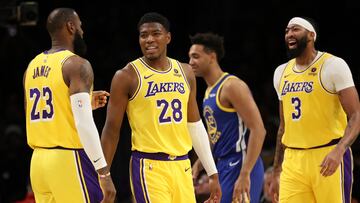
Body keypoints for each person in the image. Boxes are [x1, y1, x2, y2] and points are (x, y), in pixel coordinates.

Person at [100, 12, 221, 203]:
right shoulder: (127, 76)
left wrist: (212, 173)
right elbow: (111, 129)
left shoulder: (186, 72)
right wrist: (103, 173)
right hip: (149, 167)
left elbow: (195, 125)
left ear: (168, 37)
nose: (149, 39)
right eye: (143, 35)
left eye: (155, 33)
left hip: (182, 165)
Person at [23, 8, 116, 202]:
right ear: (70, 27)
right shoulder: (76, 64)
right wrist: (104, 172)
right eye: (80, 26)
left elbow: (35, 114)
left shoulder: (31, 66)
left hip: (38, 163)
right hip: (67, 161)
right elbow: (84, 124)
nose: (82, 31)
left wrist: (84, 103)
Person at [270, 16, 360, 203]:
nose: (289, 34)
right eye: (287, 31)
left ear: (311, 35)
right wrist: (277, 169)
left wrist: (339, 150)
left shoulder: (333, 65)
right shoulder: (281, 72)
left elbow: (356, 116)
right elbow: (283, 125)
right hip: (293, 160)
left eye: (295, 29)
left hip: (327, 154)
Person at [188, 32, 266, 203]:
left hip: (241, 161)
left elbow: (258, 129)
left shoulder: (232, 86)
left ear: (212, 57)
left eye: (195, 56)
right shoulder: (208, 92)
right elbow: (213, 134)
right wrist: (199, 164)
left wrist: (245, 173)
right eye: (190, 57)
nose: (191, 62)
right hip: (223, 165)